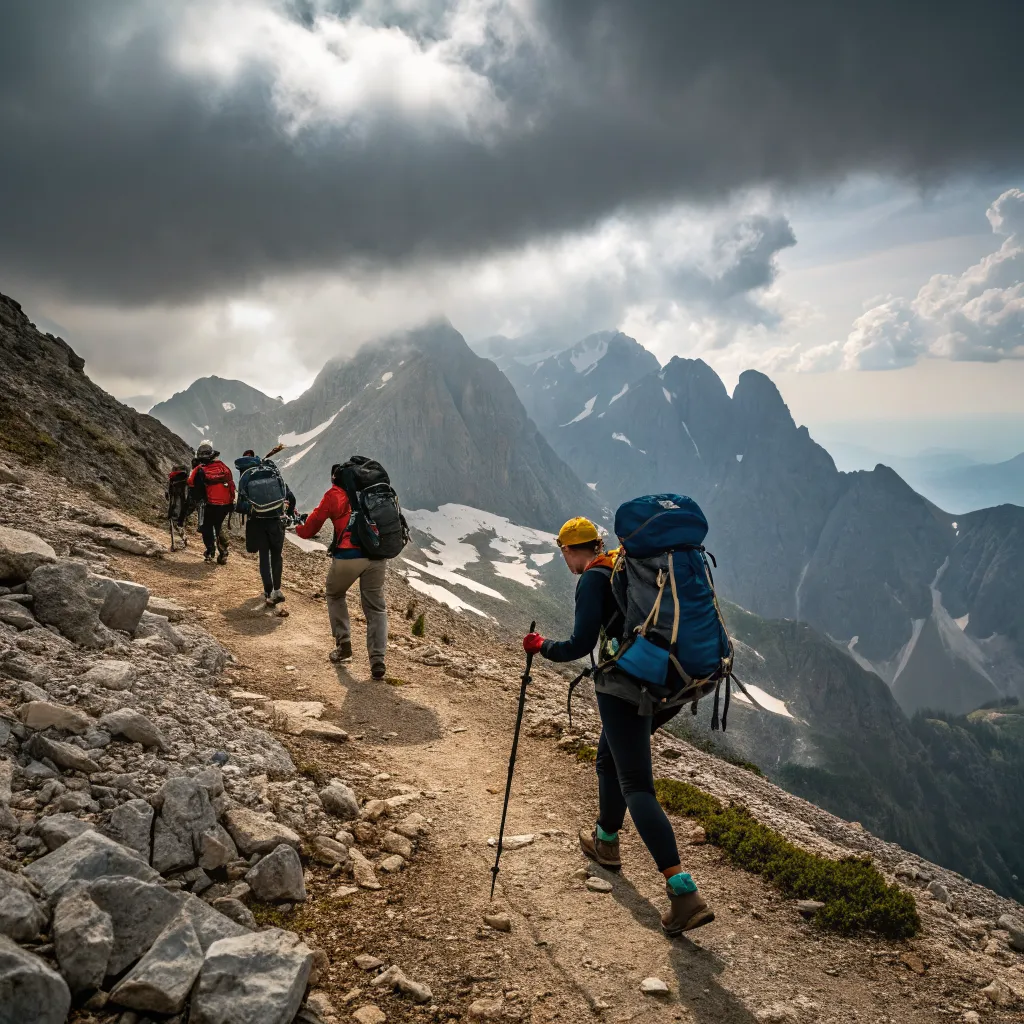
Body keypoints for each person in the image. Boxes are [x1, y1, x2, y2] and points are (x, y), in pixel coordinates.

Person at [522, 516, 715, 936]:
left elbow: (578, 644)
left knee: (637, 785)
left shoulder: (592, 580)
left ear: (574, 550)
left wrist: (541, 647)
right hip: (668, 682)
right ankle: (606, 840)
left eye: (565, 553)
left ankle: (683, 892)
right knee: (609, 760)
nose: (565, 561)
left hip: (625, 689)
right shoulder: (623, 565)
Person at [296, 463, 388, 679]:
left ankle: (344, 644)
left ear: (335, 478)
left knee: (335, 594)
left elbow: (312, 526)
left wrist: (297, 530)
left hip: (349, 556)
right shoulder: (374, 494)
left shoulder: (334, 495)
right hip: (377, 556)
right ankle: (377, 661)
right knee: (376, 608)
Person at [235, 449, 297, 607]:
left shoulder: (246, 478)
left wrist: (252, 509)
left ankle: (268, 592)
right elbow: (291, 498)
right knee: (277, 556)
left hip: (258, 522)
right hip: (276, 522)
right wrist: (287, 513)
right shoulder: (273, 474)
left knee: (264, 557)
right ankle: (277, 590)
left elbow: (240, 506)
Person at [187, 441, 235, 564]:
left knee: (206, 527)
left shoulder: (199, 470)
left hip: (209, 505)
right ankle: (223, 551)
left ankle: (210, 552)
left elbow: (192, 486)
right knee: (218, 526)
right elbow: (231, 483)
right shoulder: (223, 467)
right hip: (225, 504)